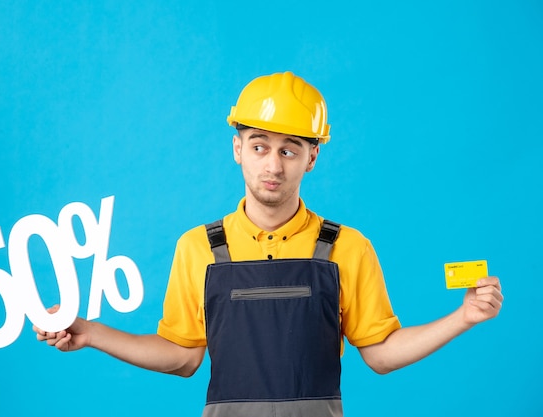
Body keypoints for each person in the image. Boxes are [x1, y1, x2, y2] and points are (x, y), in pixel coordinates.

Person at [34, 71, 503, 417]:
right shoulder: (198, 247)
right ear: (237, 149)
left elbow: (380, 352)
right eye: (259, 145)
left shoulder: (347, 248)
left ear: (311, 157)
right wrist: (92, 333)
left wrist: (463, 317)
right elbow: (182, 356)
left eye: (289, 149)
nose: (273, 165)